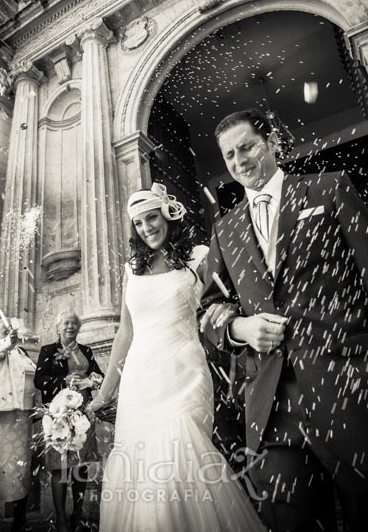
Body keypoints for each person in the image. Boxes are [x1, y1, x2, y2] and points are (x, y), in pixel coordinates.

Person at [199, 109, 368, 532]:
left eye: (247, 147)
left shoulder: (329, 189)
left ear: (271, 142)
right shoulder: (225, 229)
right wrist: (239, 329)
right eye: (229, 156)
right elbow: (208, 313)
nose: (239, 162)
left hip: (355, 394)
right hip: (272, 409)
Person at [87, 183, 265, 532]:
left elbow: (224, 301)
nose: (147, 228)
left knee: (179, 455)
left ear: (167, 214)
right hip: (141, 378)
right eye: (138, 223)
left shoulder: (197, 256)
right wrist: (104, 394)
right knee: (143, 471)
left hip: (183, 370)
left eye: (151, 218)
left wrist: (231, 312)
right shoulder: (132, 269)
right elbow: (126, 333)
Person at [33, 310, 103, 532]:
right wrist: (63, 381)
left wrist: (90, 382)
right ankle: (61, 519)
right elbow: (39, 380)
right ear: (58, 327)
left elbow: (98, 377)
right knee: (60, 468)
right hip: (58, 414)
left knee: (80, 467)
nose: (70, 326)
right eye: (66, 323)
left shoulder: (86, 351)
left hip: (82, 414)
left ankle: (78, 515)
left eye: (74, 323)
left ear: (79, 327)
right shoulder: (48, 351)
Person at [0, 318, 37, 532]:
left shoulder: (22, 353)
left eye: (13, 327)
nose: (9, 329)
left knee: (20, 468)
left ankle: (18, 521)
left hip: (21, 417)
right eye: (4, 326)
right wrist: (9, 341)